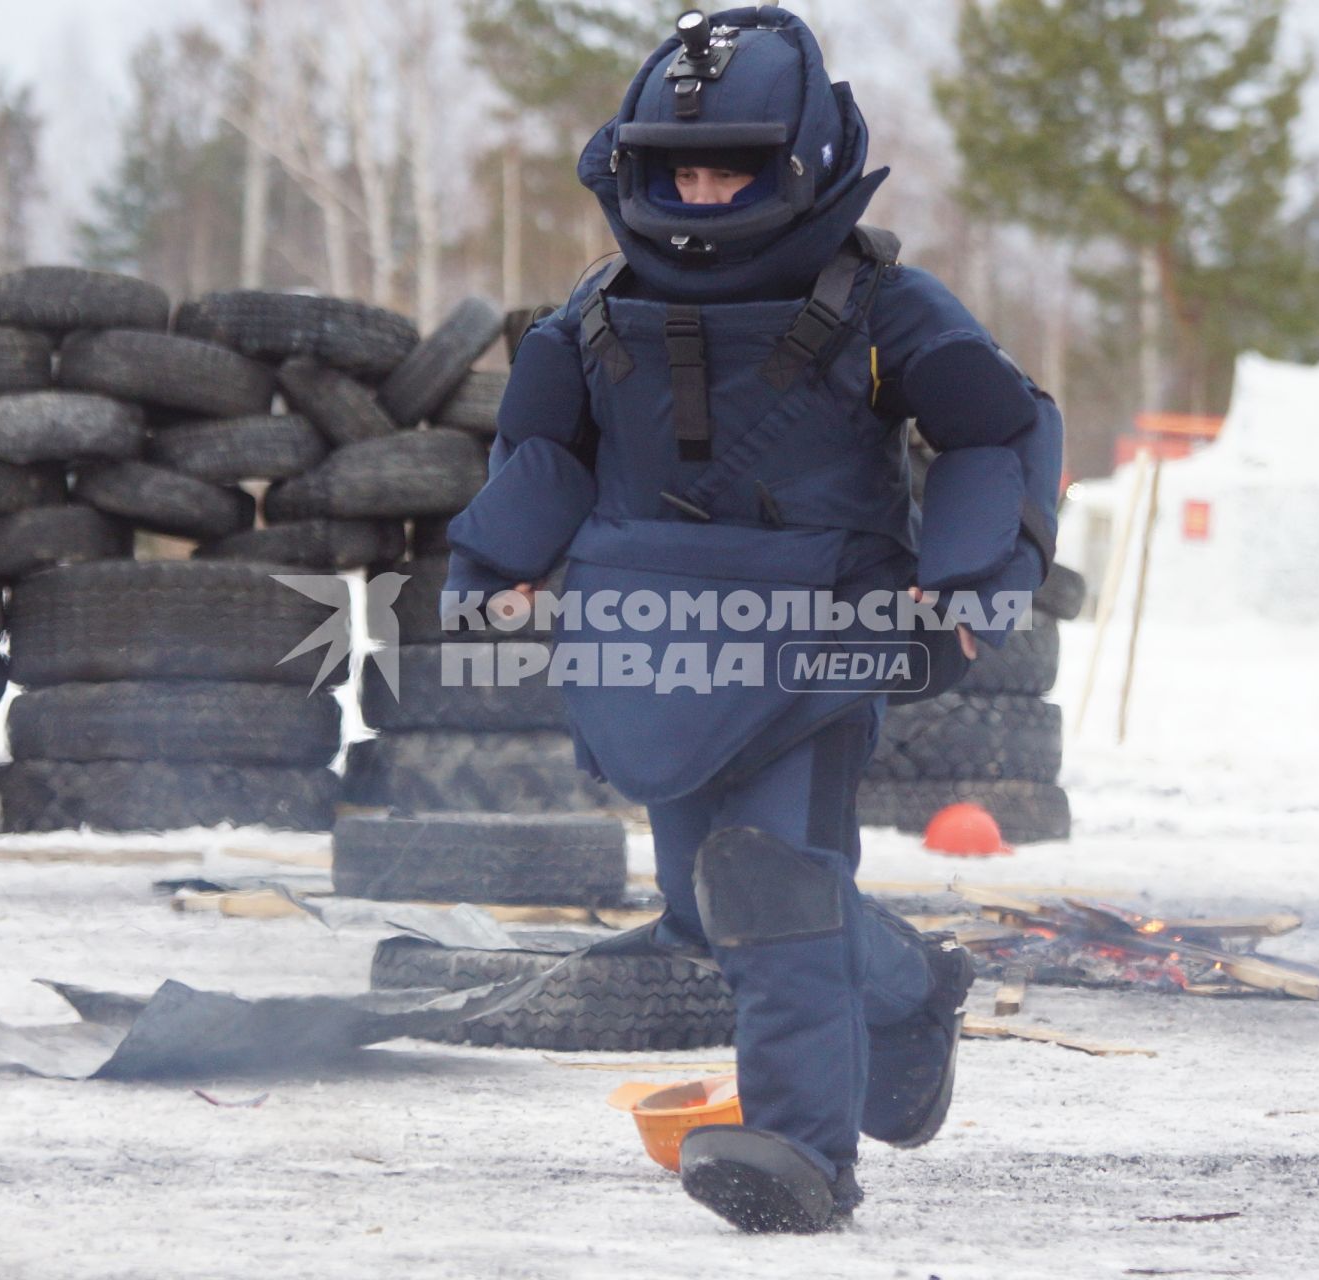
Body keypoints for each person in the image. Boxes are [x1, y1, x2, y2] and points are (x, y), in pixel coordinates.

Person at [438, 5, 1062, 1234]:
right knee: (699, 904)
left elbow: (997, 427)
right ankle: (909, 988)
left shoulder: (883, 303)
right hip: (658, 640)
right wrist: (492, 565)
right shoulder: (595, 314)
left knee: (773, 886)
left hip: (820, 635)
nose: (704, 189)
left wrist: (970, 566)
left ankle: (799, 1152)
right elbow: (542, 457)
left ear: (804, 164)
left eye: (732, 166)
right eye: (681, 168)